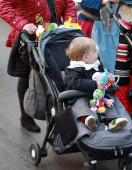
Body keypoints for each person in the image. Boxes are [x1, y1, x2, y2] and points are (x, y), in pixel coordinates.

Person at [0, 0, 77, 132]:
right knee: (26, 77)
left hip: (55, 35)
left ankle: (56, 118)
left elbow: (69, 2)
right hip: (29, 37)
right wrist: (23, 24)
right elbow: (3, 5)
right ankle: (25, 116)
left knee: (53, 76)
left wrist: (70, 22)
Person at [64, 37, 128, 132]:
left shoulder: (97, 64)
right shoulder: (72, 69)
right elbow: (76, 82)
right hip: (79, 96)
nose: (97, 53)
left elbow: (104, 74)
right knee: (81, 105)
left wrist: (110, 79)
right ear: (86, 57)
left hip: (99, 96)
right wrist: (95, 84)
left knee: (108, 105)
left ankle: (113, 121)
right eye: (94, 52)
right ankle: (88, 119)